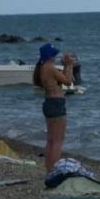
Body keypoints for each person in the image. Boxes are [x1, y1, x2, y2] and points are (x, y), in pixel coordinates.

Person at [33, 43, 74, 172]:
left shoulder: (43, 68)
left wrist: (66, 66)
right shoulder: (50, 67)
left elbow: (61, 78)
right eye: (54, 55)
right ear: (50, 56)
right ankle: (55, 170)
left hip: (49, 103)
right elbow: (68, 82)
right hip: (56, 103)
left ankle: (49, 169)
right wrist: (69, 64)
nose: (56, 57)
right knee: (57, 141)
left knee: (51, 140)